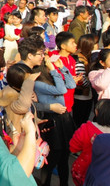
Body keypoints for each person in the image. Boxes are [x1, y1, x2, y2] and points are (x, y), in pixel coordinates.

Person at [34, 49, 76, 186]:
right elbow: (62, 90)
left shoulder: (54, 77)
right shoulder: (38, 82)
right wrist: (53, 70)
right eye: (47, 61)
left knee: (64, 156)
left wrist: (62, 68)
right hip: (52, 121)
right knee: (51, 159)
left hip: (64, 119)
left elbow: (71, 85)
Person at [0, 64, 39, 154]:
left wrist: (37, 121)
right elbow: (23, 107)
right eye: (27, 81)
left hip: (25, 139)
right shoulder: (11, 96)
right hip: (18, 142)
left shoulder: (20, 94)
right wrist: (29, 82)